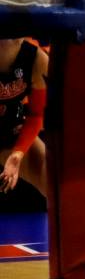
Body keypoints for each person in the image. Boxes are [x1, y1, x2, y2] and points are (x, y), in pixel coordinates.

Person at [0, 36, 48, 200]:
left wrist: (17, 154)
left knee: (53, 181)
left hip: (11, 131)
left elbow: (36, 115)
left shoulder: (37, 59)